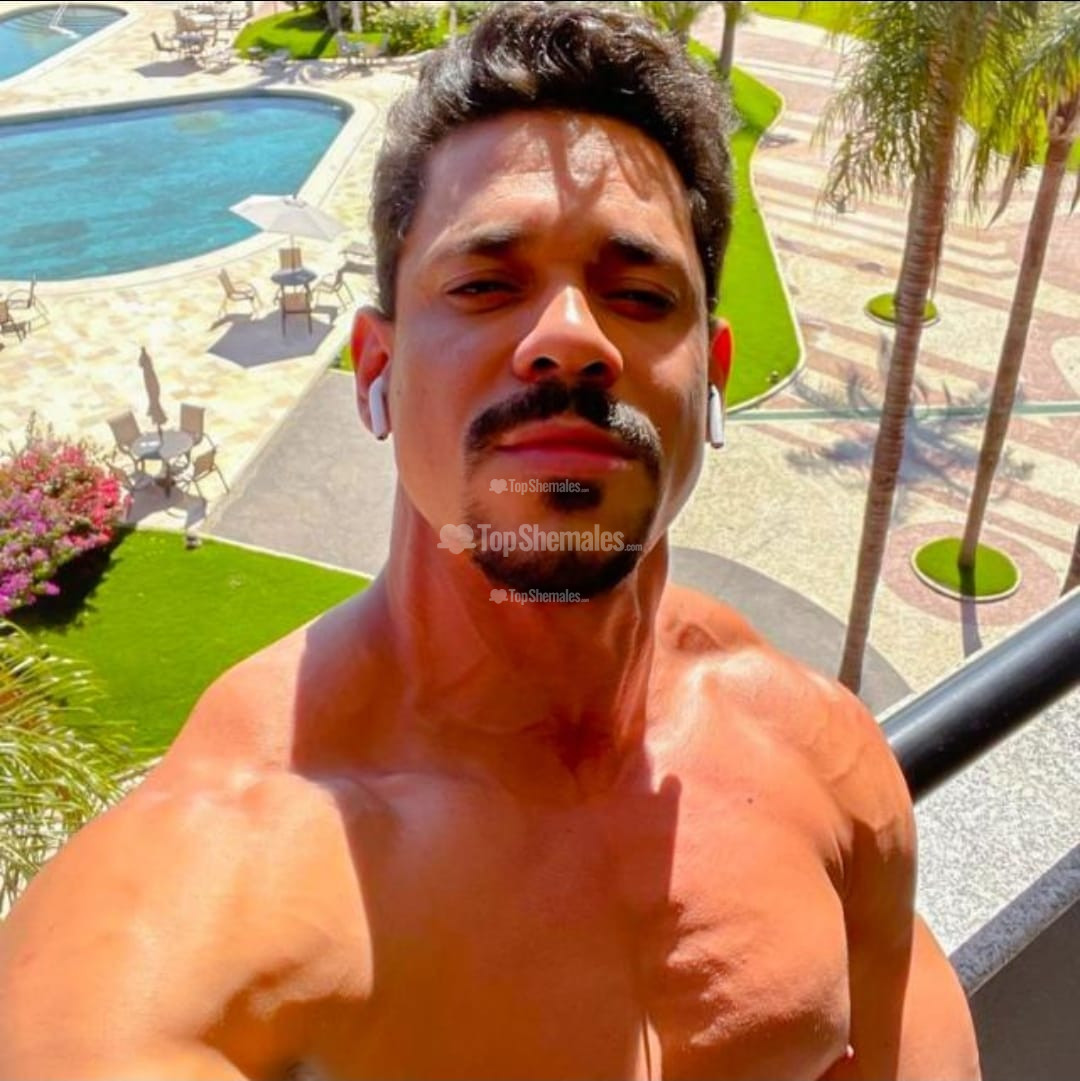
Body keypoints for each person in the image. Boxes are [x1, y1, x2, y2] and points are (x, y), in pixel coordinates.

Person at [0, 4, 980, 1079]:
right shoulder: (205, 883)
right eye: (484, 285)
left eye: (638, 293)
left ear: (710, 376)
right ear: (376, 370)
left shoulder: (818, 753)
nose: (570, 338)